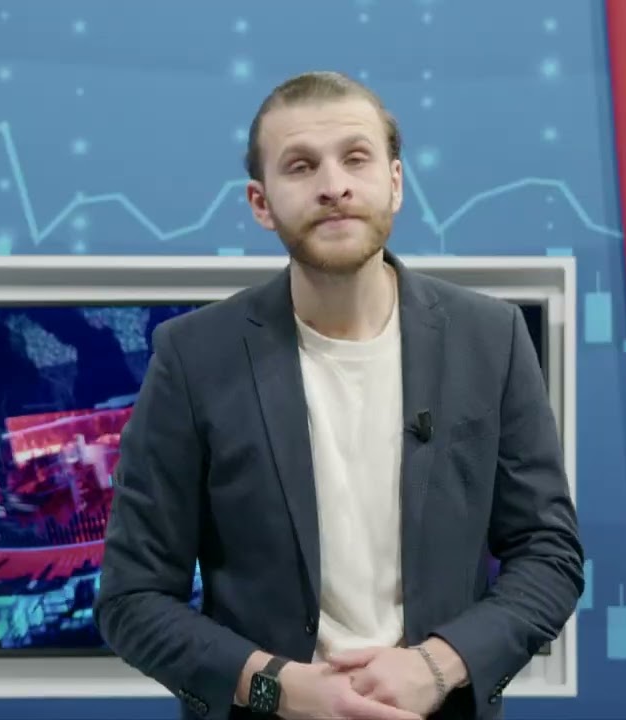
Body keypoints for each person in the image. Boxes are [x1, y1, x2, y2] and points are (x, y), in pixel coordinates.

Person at [94, 70, 585, 720]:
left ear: (396, 182)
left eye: (356, 158)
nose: (333, 185)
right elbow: (131, 598)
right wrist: (279, 688)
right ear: (261, 202)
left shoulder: (491, 339)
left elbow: (549, 557)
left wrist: (436, 667)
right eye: (300, 166)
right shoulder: (193, 357)